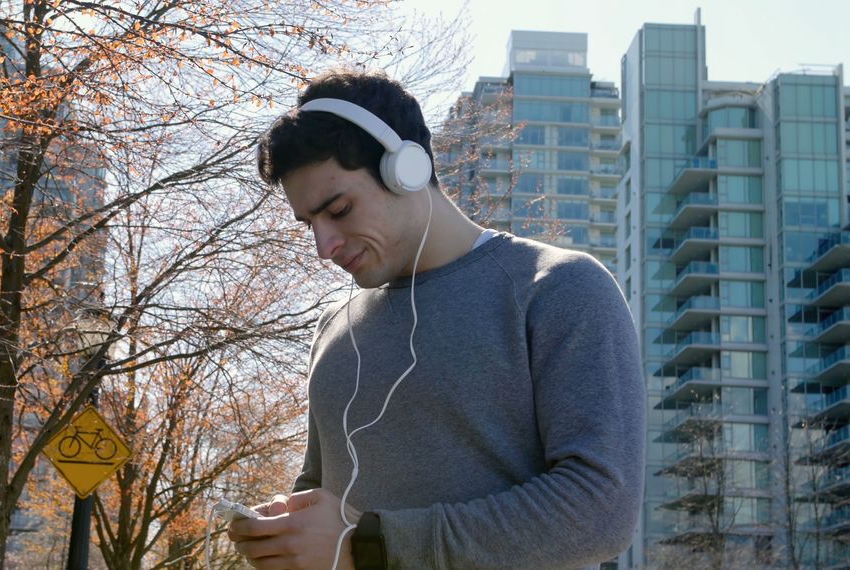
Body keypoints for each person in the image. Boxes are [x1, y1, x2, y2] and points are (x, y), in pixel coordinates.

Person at [229, 69, 645, 570]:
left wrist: (371, 546)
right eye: (309, 224)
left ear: (406, 167)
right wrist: (286, 531)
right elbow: (326, 501)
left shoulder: (559, 288)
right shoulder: (333, 328)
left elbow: (600, 511)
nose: (324, 247)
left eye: (338, 209)